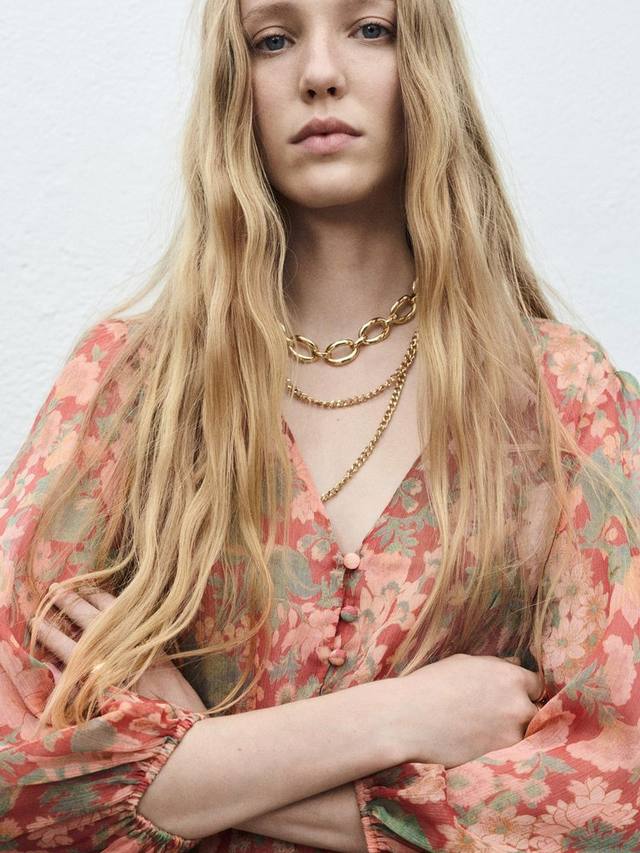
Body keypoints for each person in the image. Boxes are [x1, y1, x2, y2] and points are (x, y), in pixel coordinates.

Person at [1, 0, 639, 850]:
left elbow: (610, 794)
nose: (320, 73)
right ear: (236, 85)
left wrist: (194, 762)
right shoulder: (128, 386)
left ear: (428, 66)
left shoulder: (559, 394)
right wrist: (401, 715)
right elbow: (15, 772)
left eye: (370, 29)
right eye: (274, 40)